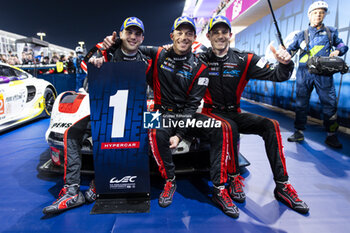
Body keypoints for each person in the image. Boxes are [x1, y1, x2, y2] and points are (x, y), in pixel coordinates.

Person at [103, 16, 240, 218]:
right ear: (172, 35)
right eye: (180, 32)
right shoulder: (158, 53)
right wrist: (112, 43)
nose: (184, 37)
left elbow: (193, 105)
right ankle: (170, 180)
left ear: (194, 38)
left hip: (187, 115)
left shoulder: (201, 67)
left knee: (220, 127)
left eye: (189, 33)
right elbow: (130, 47)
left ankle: (219, 188)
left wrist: (180, 133)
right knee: (153, 130)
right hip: (160, 112)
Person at [198, 15, 309, 214]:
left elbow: (277, 75)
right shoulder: (200, 58)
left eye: (224, 32)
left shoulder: (245, 58)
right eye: (216, 32)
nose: (220, 36)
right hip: (210, 114)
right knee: (228, 128)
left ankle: (282, 186)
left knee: (271, 125)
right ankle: (230, 180)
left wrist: (285, 64)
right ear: (209, 36)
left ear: (230, 35)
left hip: (235, 112)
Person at [42, 17, 149, 215]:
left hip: (137, 115)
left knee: (159, 131)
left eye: (137, 33)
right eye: (129, 32)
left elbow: (153, 91)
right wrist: (96, 68)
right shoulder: (105, 53)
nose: (133, 37)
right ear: (122, 34)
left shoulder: (147, 61)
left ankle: (100, 181)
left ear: (142, 38)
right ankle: (72, 191)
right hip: (106, 113)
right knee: (71, 132)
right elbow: (88, 87)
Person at [286, 1, 348, 148]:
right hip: (303, 74)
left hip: (324, 75)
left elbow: (341, 45)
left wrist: (338, 51)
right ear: (309, 15)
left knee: (330, 105)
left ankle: (331, 135)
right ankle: (298, 132)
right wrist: (284, 54)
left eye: (321, 12)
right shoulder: (301, 34)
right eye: (315, 12)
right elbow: (290, 51)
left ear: (324, 14)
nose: (318, 15)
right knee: (301, 104)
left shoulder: (330, 31)